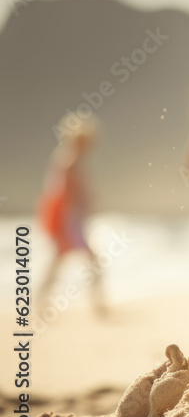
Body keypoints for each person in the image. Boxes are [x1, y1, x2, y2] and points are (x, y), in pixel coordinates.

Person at [36, 112, 107, 315]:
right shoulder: (70, 161)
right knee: (89, 260)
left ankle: (40, 301)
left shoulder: (69, 159)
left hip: (71, 219)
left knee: (59, 261)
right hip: (69, 220)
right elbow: (63, 194)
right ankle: (97, 303)